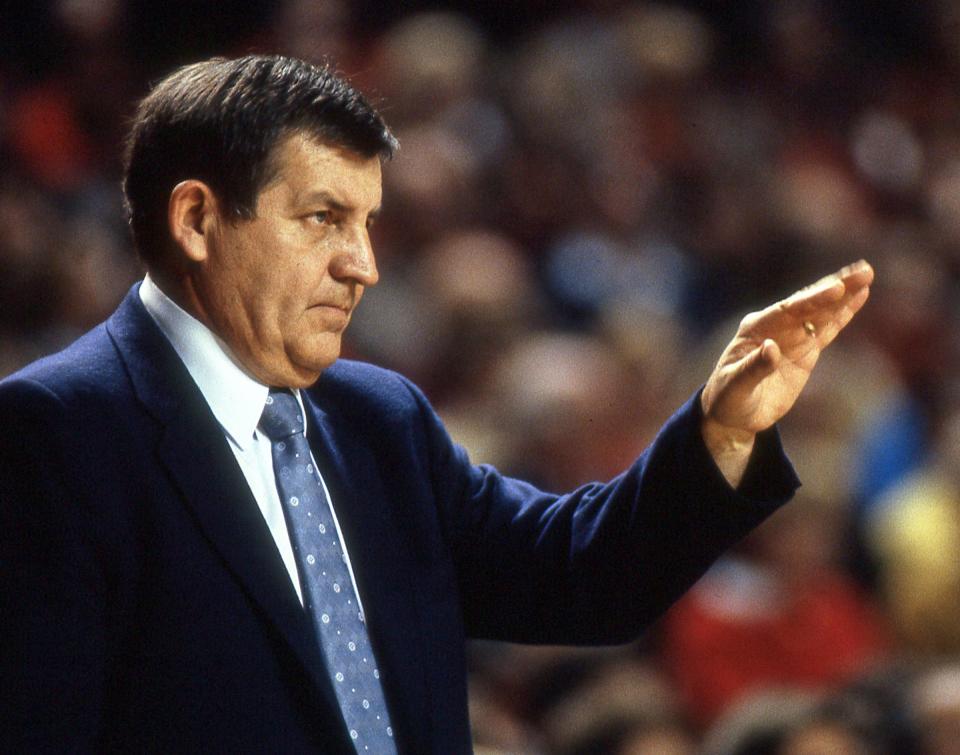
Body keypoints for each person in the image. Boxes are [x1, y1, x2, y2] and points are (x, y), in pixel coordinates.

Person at [0, 54, 873, 753]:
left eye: (368, 223)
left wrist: (721, 430)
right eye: (323, 218)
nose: (363, 265)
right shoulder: (53, 436)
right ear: (196, 218)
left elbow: (582, 579)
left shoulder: (382, 420)